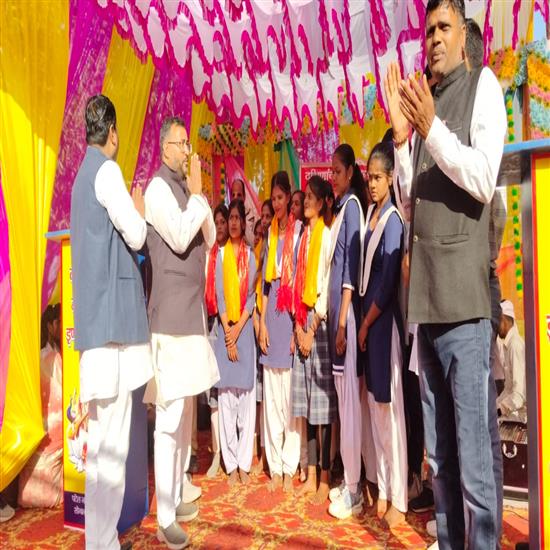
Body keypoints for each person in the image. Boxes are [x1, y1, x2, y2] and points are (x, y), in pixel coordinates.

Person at [384, 0, 506, 546]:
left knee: (476, 467)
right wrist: (403, 139)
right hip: (427, 308)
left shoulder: (483, 87)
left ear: (462, 36)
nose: (433, 38)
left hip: (465, 307)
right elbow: (413, 206)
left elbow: (482, 177)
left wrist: (430, 127)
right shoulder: (424, 108)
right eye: (428, 29)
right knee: (441, 463)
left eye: (443, 28)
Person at [70, 94, 153, 550]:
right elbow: (136, 234)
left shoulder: (80, 178)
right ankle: (103, 544)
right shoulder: (107, 171)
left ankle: (98, 542)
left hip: (95, 332)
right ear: (113, 133)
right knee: (113, 451)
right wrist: (138, 206)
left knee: (100, 450)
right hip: (114, 333)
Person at [143, 116, 219, 549]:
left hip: (191, 317)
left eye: (188, 143)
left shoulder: (187, 191)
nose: (188, 150)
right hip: (170, 319)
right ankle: (164, 518)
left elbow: (209, 235)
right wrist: (199, 198)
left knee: (186, 414)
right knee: (169, 419)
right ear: (165, 148)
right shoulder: (156, 189)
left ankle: (176, 495)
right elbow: (177, 235)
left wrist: (198, 196)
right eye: (182, 143)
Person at [358, 143, 408, 527]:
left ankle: (399, 497)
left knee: (390, 412)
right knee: (375, 409)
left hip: (382, 322)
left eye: (377, 177)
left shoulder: (392, 220)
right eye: (369, 177)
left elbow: (388, 282)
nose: (372, 184)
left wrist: (366, 322)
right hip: (367, 324)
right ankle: (383, 487)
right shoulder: (371, 215)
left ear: (391, 178)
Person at [327, 143, 369, 520]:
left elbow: (349, 272)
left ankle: (355, 489)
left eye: (338, 172)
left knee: (350, 407)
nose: (333, 177)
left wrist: (341, 322)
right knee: (344, 402)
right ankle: (351, 480)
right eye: (332, 172)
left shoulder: (353, 208)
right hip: (336, 319)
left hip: (346, 318)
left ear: (351, 172)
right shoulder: (342, 210)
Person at [291, 176, 337, 504]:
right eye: (305, 196)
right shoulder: (302, 236)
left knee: (322, 405)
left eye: (310, 197)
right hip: (301, 319)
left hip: (318, 322)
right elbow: (294, 282)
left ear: (322, 204)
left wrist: (311, 327)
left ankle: (324, 477)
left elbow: (329, 283)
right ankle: (308, 473)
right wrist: (297, 326)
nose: (306, 201)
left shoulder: (327, 235)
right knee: (306, 403)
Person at [258, 171, 302, 492]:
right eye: (273, 199)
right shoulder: (269, 234)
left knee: (288, 399)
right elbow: (264, 284)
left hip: (290, 316)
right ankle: (274, 466)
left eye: (280, 198)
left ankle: (289, 465)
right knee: (272, 398)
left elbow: (299, 282)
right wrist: (261, 323)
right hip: (271, 315)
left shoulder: (298, 233)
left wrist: (297, 328)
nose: (276, 204)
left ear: (288, 197)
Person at [213, 199, 258, 485]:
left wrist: (238, 328)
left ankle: (243, 462)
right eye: (229, 218)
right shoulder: (220, 255)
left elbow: (252, 298)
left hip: (244, 330)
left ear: (243, 222)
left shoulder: (251, 256)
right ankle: (230, 465)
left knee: (246, 401)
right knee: (227, 400)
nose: (232, 223)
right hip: (225, 331)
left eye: (236, 218)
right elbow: (219, 296)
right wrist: (228, 335)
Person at [18, 304, 64, 508]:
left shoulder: (34, 356)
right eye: (58, 322)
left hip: (33, 428)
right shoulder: (53, 357)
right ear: (50, 326)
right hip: (52, 427)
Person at [205, 203, 230, 478]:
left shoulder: (235, 254)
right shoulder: (207, 255)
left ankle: (233, 453)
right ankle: (216, 453)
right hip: (211, 324)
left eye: (224, 222)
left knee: (229, 389)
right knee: (213, 393)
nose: (221, 227)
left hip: (230, 327)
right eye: (218, 222)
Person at [496, 300, 526, 423]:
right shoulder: (508, 345)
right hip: (513, 413)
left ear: (503, 319)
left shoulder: (515, 345)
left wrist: (499, 410)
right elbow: (508, 389)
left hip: (522, 418)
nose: (495, 328)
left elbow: (519, 395)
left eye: (496, 322)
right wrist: (494, 406)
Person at [230, 178, 255, 245]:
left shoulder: (252, 217)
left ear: (244, 197)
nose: (235, 198)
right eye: (233, 195)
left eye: (239, 195)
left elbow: (254, 244)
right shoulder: (227, 218)